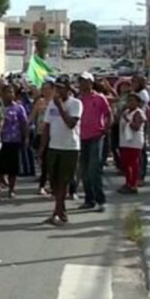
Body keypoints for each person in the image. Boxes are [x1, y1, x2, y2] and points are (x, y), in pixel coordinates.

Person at [42, 76, 83, 226]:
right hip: (53, 146)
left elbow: (71, 124)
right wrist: (42, 148)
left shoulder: (75, 104)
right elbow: (46, 126)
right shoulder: (52, 104)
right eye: (56, 88)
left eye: (61, 88)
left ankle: (57, 213)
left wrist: (60, 107)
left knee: (63, 181)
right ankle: (60, 212)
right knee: (53, 182)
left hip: (69, 148)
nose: (58, 91)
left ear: (68, 88)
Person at [78, 72, 112, 212]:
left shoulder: (99, 98)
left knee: (94, 169)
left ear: (91, 83)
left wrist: (106, 128)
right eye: (81, 81)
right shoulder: (78, 99)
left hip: (96, 136)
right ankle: (89, 199)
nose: (82, 84)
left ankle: (101, 200)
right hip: (81, 137)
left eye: (85, 81)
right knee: (84, 170)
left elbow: (109, 114)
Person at [0, 84, 28, 199]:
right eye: (7, 92)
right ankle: (0, 184)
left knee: (13, 168)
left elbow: (24, 123)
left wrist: (26, 138)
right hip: (0, 140)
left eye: (11, 92)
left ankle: (11, 189)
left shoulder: (19, 108)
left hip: (14, 140)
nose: (9, 94)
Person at [118, 92, 146, 194]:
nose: (130, 103)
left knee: (133, 164)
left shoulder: (139, 113)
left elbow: (136, 127)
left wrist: (127, 120)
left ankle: (133, 184)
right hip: (125, 141)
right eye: (129, 100)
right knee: (125, 163)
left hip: (134, 142)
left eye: (133, 101)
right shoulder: (126, 112)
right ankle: (127, 182)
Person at [31, 80, 55, 196]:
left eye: (47, 88)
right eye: (43, 88)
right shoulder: (40, 102)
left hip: (54, 135)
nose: (44, 91)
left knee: (53, 162)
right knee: (44, 162)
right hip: (41, 134)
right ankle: (42, 185)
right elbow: (32, 116)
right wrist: (26, 126)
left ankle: (53, 185)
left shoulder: (56, 102)